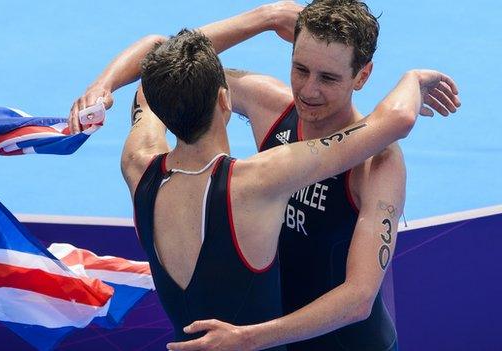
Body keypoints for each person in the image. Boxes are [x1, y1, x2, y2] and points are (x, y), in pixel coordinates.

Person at [67, 9, 460, 351]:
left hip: (344, 344)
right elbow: (170, 62)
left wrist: (251, 337)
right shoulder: (267, 104)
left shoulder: (380, 162)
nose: (309, 91)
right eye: (300, 69)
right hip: (269, 337)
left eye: (328, 78)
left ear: (362, 76)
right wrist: (104, 85)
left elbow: (358, 298)